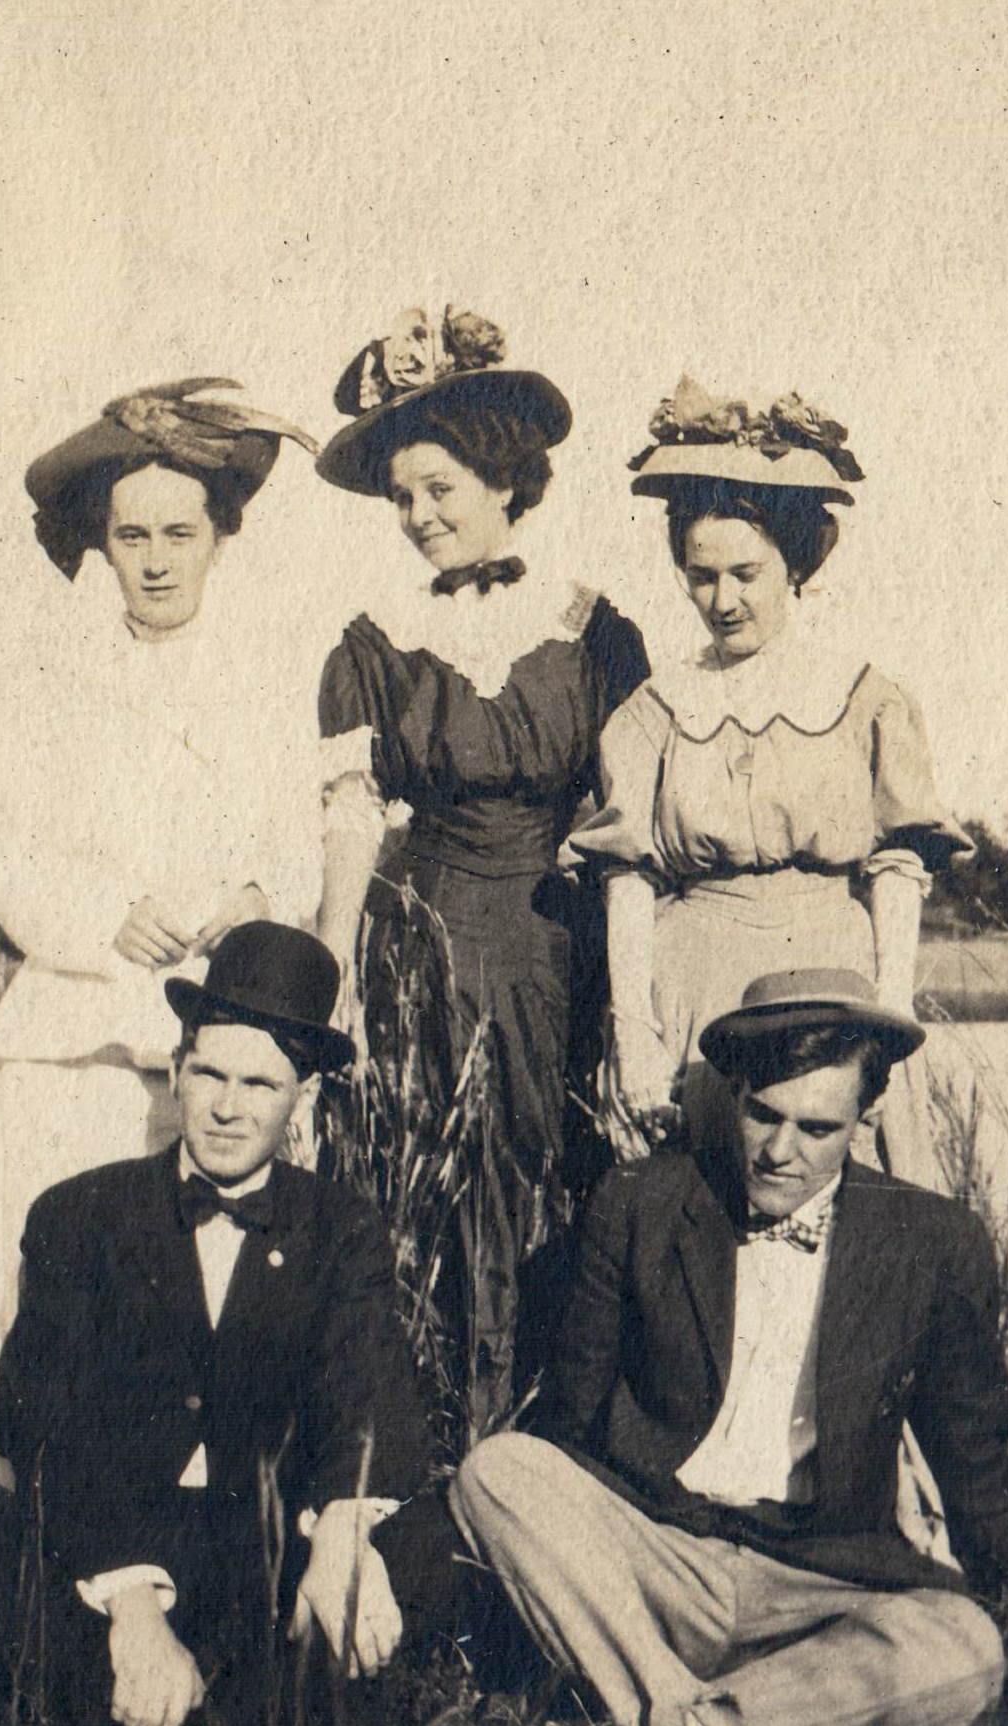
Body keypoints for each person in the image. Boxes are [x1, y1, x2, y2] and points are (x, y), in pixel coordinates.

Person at [0, 382, 326, 1545]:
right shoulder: (45, 683)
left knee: (162, 1298)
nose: (155, 562)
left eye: (179, 535)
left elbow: (285, 860)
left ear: (218, 540)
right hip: (68, 1023)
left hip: (193, 1046)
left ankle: (138, 1533)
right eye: (132, 535)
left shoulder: (259, 684)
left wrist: (237, 906)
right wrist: (105, 915)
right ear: (102, 543)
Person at [0, 923, 454, 1726]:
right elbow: (38, 1428)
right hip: (108, 1560)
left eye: (259, 1083)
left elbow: (369, 1406)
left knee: (448, 1534)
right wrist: (135, 1607)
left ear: (300, 1094)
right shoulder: (79, 1214)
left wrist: (339, 1537)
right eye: (210, 1073)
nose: (227, 1106)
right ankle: (232, 1715)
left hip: (266, 1570)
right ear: (177, 1067)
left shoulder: (341, 1227)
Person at [450, 969, 1008, 1726]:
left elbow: (973, 1452)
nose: (779, 1150)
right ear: (733, 1094)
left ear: (863, 1121)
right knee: (500, 1470)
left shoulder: (934, 1241)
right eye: (763, 1114)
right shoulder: (641, 1201)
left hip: (819, 1579)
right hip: (665, 1557)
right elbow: (569, 1422)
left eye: (816, 1127)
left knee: (966, 1645)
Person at [314, 307, 648, 1430]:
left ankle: (556, 1432)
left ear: (504, 479)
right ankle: (440, 1435)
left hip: (559, 942)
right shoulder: (370, 641)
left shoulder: (596, 629)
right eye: (402, 496)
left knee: (555, 1167)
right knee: (432, 1180)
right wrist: (334, 970)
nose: (417, 517)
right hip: (426, 935)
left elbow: (627, 812)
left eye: (439, 490)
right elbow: (351, 817)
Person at [566, 375, 972, 1183]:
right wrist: (633, 1031)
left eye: (745, 573)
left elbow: (898, 868)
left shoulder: (865, 700)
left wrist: (888, 1016)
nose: (721, 600)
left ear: (794, 563)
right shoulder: (654, 710)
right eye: (699, 574)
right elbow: (627, 880)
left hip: (835, 988)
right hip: (694, 994)